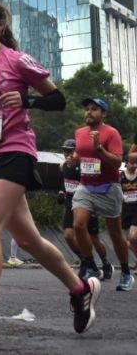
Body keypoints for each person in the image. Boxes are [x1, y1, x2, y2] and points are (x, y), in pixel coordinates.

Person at [0, 0, 98, 344]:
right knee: (28, 240)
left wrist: (28, 102)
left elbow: (58, 99)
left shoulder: (15, 59)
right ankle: (80, 289)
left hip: (16, 150)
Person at [71, 98, 131, 291]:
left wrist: (99, 148)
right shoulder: (79, 133)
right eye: (87, 109)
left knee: (115, 233)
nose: (89, 112)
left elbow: (116, 163)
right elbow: (82, 155)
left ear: (103, 113)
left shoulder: (111, 133)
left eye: (94, 109)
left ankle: (125, 272)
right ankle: (91, 266)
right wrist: (74, 160)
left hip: (109, 187)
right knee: (78, 225)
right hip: (86, 186)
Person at [57, 139, 111, 279]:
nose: (67, 154)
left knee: (93, 238)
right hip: (71, 203)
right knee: (68, 235)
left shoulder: (85, 167)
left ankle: (106, 263)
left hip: (87, 204)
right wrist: (62, 192)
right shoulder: (62, 166)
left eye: (70, 151)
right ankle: (87, 262)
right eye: (65, 151)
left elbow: (95, 184)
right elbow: (65, 182)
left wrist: (95, 206)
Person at [121, 153, 137, 270]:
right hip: (125, 209)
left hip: (136, 208)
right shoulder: (120, 176)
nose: (134, 165)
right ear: (126, 163)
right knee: (128, 242)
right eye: (132, 162)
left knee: (133, 237)